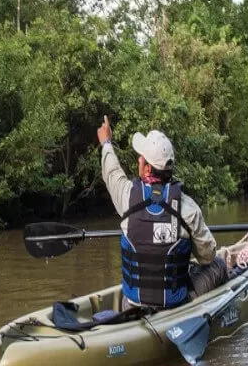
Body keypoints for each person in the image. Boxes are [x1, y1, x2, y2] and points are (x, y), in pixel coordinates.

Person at [97, 116, 228, 311]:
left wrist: (106, 143)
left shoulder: (126, 197)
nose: (139, 160)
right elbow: (207, 257)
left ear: (148, 167)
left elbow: (111, 172)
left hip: (132, 305)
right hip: (175, 304)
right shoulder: (188, 207)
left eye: (141, 158)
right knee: (218, 264)